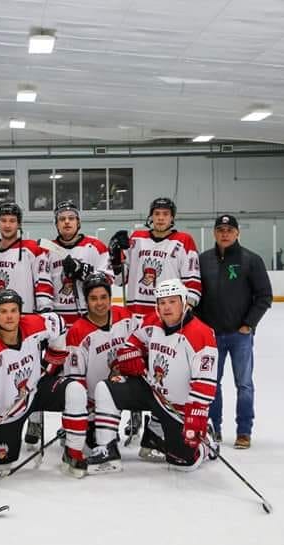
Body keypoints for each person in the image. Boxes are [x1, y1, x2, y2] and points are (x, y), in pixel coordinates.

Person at [108, 196, 202, 460]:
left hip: (166, 321)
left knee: (163, 375)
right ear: (151, 216)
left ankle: (156, 430)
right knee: (131, 369)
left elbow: (192, 283)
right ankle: (129, 419)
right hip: (137, 318)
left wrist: (183, 314)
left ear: (172, 217)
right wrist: (115, 255)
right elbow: (119, 278)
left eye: (166, 214)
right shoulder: (137, 238)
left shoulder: (184, 241)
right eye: (157, 213)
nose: (161, 218)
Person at [91, 279, 218, 471]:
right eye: (162, 302)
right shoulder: (152, 322)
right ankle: (107, 449)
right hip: (151, 392)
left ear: (184, 302)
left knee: (183, 463)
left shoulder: (202, 334)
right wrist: (131, 356)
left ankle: (206, 439)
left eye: (172, 301)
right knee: (106, 388)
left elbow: (205, 382)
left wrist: (196, 414)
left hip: (179, 409)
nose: (166, 307)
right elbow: (131, 343)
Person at [0, 289, 90, 478]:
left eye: (14, 310)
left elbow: (58, 323)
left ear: (20, 312)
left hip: (35, 391)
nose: (9, 316)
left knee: (75, 390)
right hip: (5, 414)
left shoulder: (32, 325)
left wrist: (55, 356)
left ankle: (73, 453)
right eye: (4, 311)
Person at [0, 202, 54, 447]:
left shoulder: (33, 249)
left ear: (19, 224)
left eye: (12, 220)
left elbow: (43, 281)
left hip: (26, 326)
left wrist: (44, 314)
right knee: (2, 378)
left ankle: (34, 419)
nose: (8, 224)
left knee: (29, 375)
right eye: (3, 220)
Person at [197, 214, 273, 449]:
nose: (225, 234)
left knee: (244, 384)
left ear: (237, 233)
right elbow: (195, 295)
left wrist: (248, 324)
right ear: (214, 233)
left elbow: (264, 296)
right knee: (211, 384)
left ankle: (244, 431)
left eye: (230, 230)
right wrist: (200, 327)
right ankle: (214, 429)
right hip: (211, 336)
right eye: (220, 230)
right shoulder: (203, 260)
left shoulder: (251, 260)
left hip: (240, 336)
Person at [63, 274, 136, 465]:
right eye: (93, 299)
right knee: (94, 442)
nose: (100, 303)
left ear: (110, 298)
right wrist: (85, 413)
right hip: (93, 404)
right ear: (86, 301)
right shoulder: (77, 332)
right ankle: (85, 426)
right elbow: (75, 381)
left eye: (104, 297)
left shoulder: (125, 317)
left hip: (123, 388)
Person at [48, 200, 113, 326]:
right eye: (62, 219)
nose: (66, 222)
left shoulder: (96, 246)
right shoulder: (47, 250)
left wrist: (83, 271)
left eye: (71, 218)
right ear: (56, 224)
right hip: (58, 319)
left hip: (89, 316)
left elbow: (109, 279)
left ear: (78, 223)